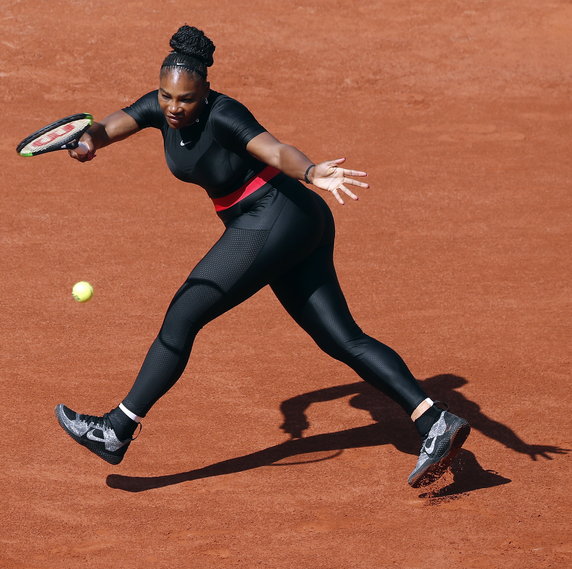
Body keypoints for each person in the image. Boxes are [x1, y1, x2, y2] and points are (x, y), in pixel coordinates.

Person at [55, 25, 470, 487]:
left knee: (182, 317)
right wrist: (90, 140)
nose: (174, 108)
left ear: (205, 91)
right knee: (340, 338)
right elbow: (112, 125)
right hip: (290, 222)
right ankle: (435, 421)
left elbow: (273, 149)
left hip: (273, 215)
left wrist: (311, 170)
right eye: (167, 96)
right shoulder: (160, 107)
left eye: (186, 100)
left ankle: (116, 430)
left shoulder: (224, 113)